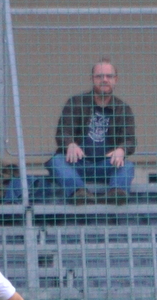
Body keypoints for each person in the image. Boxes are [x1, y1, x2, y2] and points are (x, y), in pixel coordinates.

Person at [46, 59, 136, 206]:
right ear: (92, 79)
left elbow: (130, 140)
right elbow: (62, 132)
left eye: (109, 76)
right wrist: (70, 145)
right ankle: (79, 193)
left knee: (127, 166)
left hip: (106, 164)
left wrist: (121, 149)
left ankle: (116, 194)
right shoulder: (75, 103)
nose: (104, 80)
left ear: (116, 80)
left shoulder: (123, 109)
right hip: (77, 163)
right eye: (99, 76)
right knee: (57, 161)